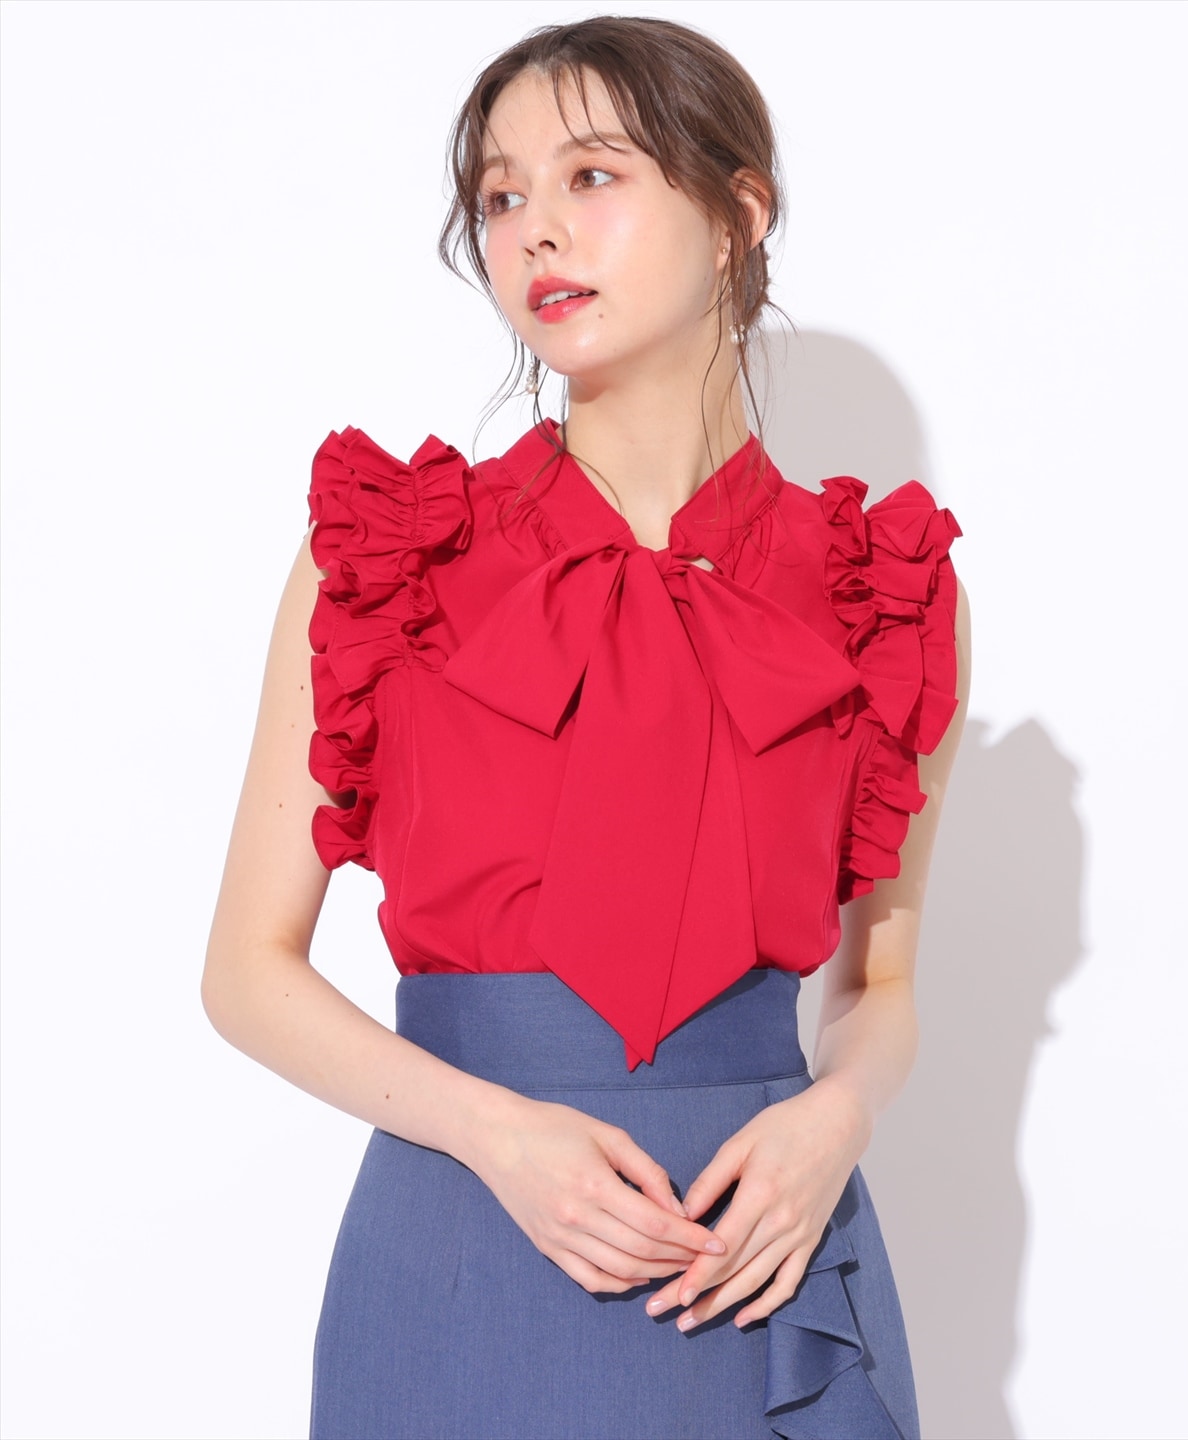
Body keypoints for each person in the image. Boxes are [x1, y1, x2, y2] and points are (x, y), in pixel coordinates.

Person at [202, 15, 969, 1440]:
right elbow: (246, 972)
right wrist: (494, 1131)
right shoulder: (388, 561)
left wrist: (838, 1118)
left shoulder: (881, 591)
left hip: (761, 1257)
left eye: (592, 176)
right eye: (501, 198)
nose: (536, 231)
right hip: (468, 1246)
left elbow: (884, 983)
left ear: (739, 214)